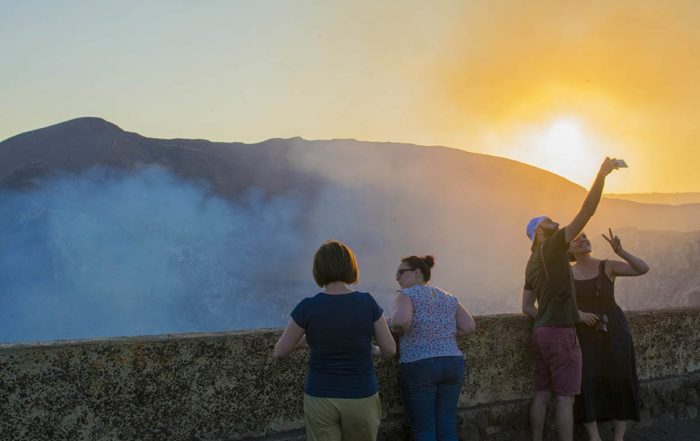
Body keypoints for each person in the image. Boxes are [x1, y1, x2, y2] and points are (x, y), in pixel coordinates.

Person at [521, 157, 623, 441]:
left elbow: (527, 307)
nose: (555, 222)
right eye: (549, 222)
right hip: (561, 334)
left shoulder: (531, 262)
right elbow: (587, 210)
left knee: (542, 394)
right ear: (540, 233)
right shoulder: (553, 247)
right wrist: (602, 174)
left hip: (540, 333)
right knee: (566, 398)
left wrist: (546, 317)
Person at [273, 240, 396, 441]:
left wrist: (307, 341)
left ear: (318, 269)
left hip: (320, 395)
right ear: (350, 267)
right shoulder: (367, 302)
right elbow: (390, 350)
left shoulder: (308, 306)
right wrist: (372, 349)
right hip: (361, 394)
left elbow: (280, 352)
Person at [569, 229, 649, 441]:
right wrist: (578, 314)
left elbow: (642, 269)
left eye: (585, 236)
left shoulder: (607, 265)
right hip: (584, 332)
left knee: (620, 376)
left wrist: (620, 251)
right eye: (576, 238)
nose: (582, 240)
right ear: (568, 248)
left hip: (613, 328)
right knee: (585, 380)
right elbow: (558, 303)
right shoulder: (568, 274)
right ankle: (595, 437)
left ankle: (618, 437)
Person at [389, 255, 476, 441]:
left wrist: (389, 323)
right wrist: (443, 334)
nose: (397, 277)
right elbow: (469, 327)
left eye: (401, 272)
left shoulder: (405, 294)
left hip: (419, 365)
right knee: (446, 428)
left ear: (417, 273)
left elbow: (401, 322)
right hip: (452, 363)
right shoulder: (447, 296)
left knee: (424, 431)